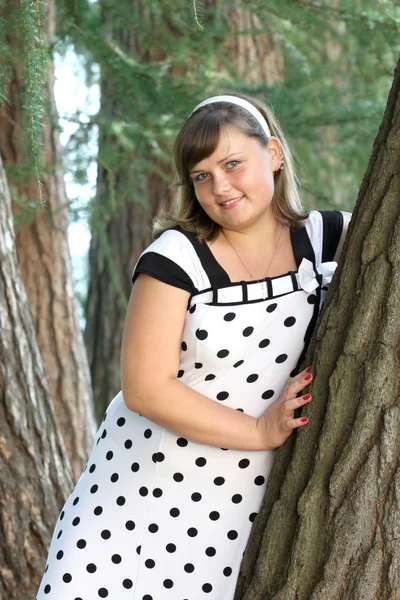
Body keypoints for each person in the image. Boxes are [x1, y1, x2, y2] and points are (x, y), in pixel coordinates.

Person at [36, 93, 351, 600]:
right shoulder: (176, 257)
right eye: (202, 176)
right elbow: (145, 389)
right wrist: (258, 428)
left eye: (232, 164)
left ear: (272, 153)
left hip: (239, 516)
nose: (219, 187)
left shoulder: (328, 239)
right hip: (139, 504)